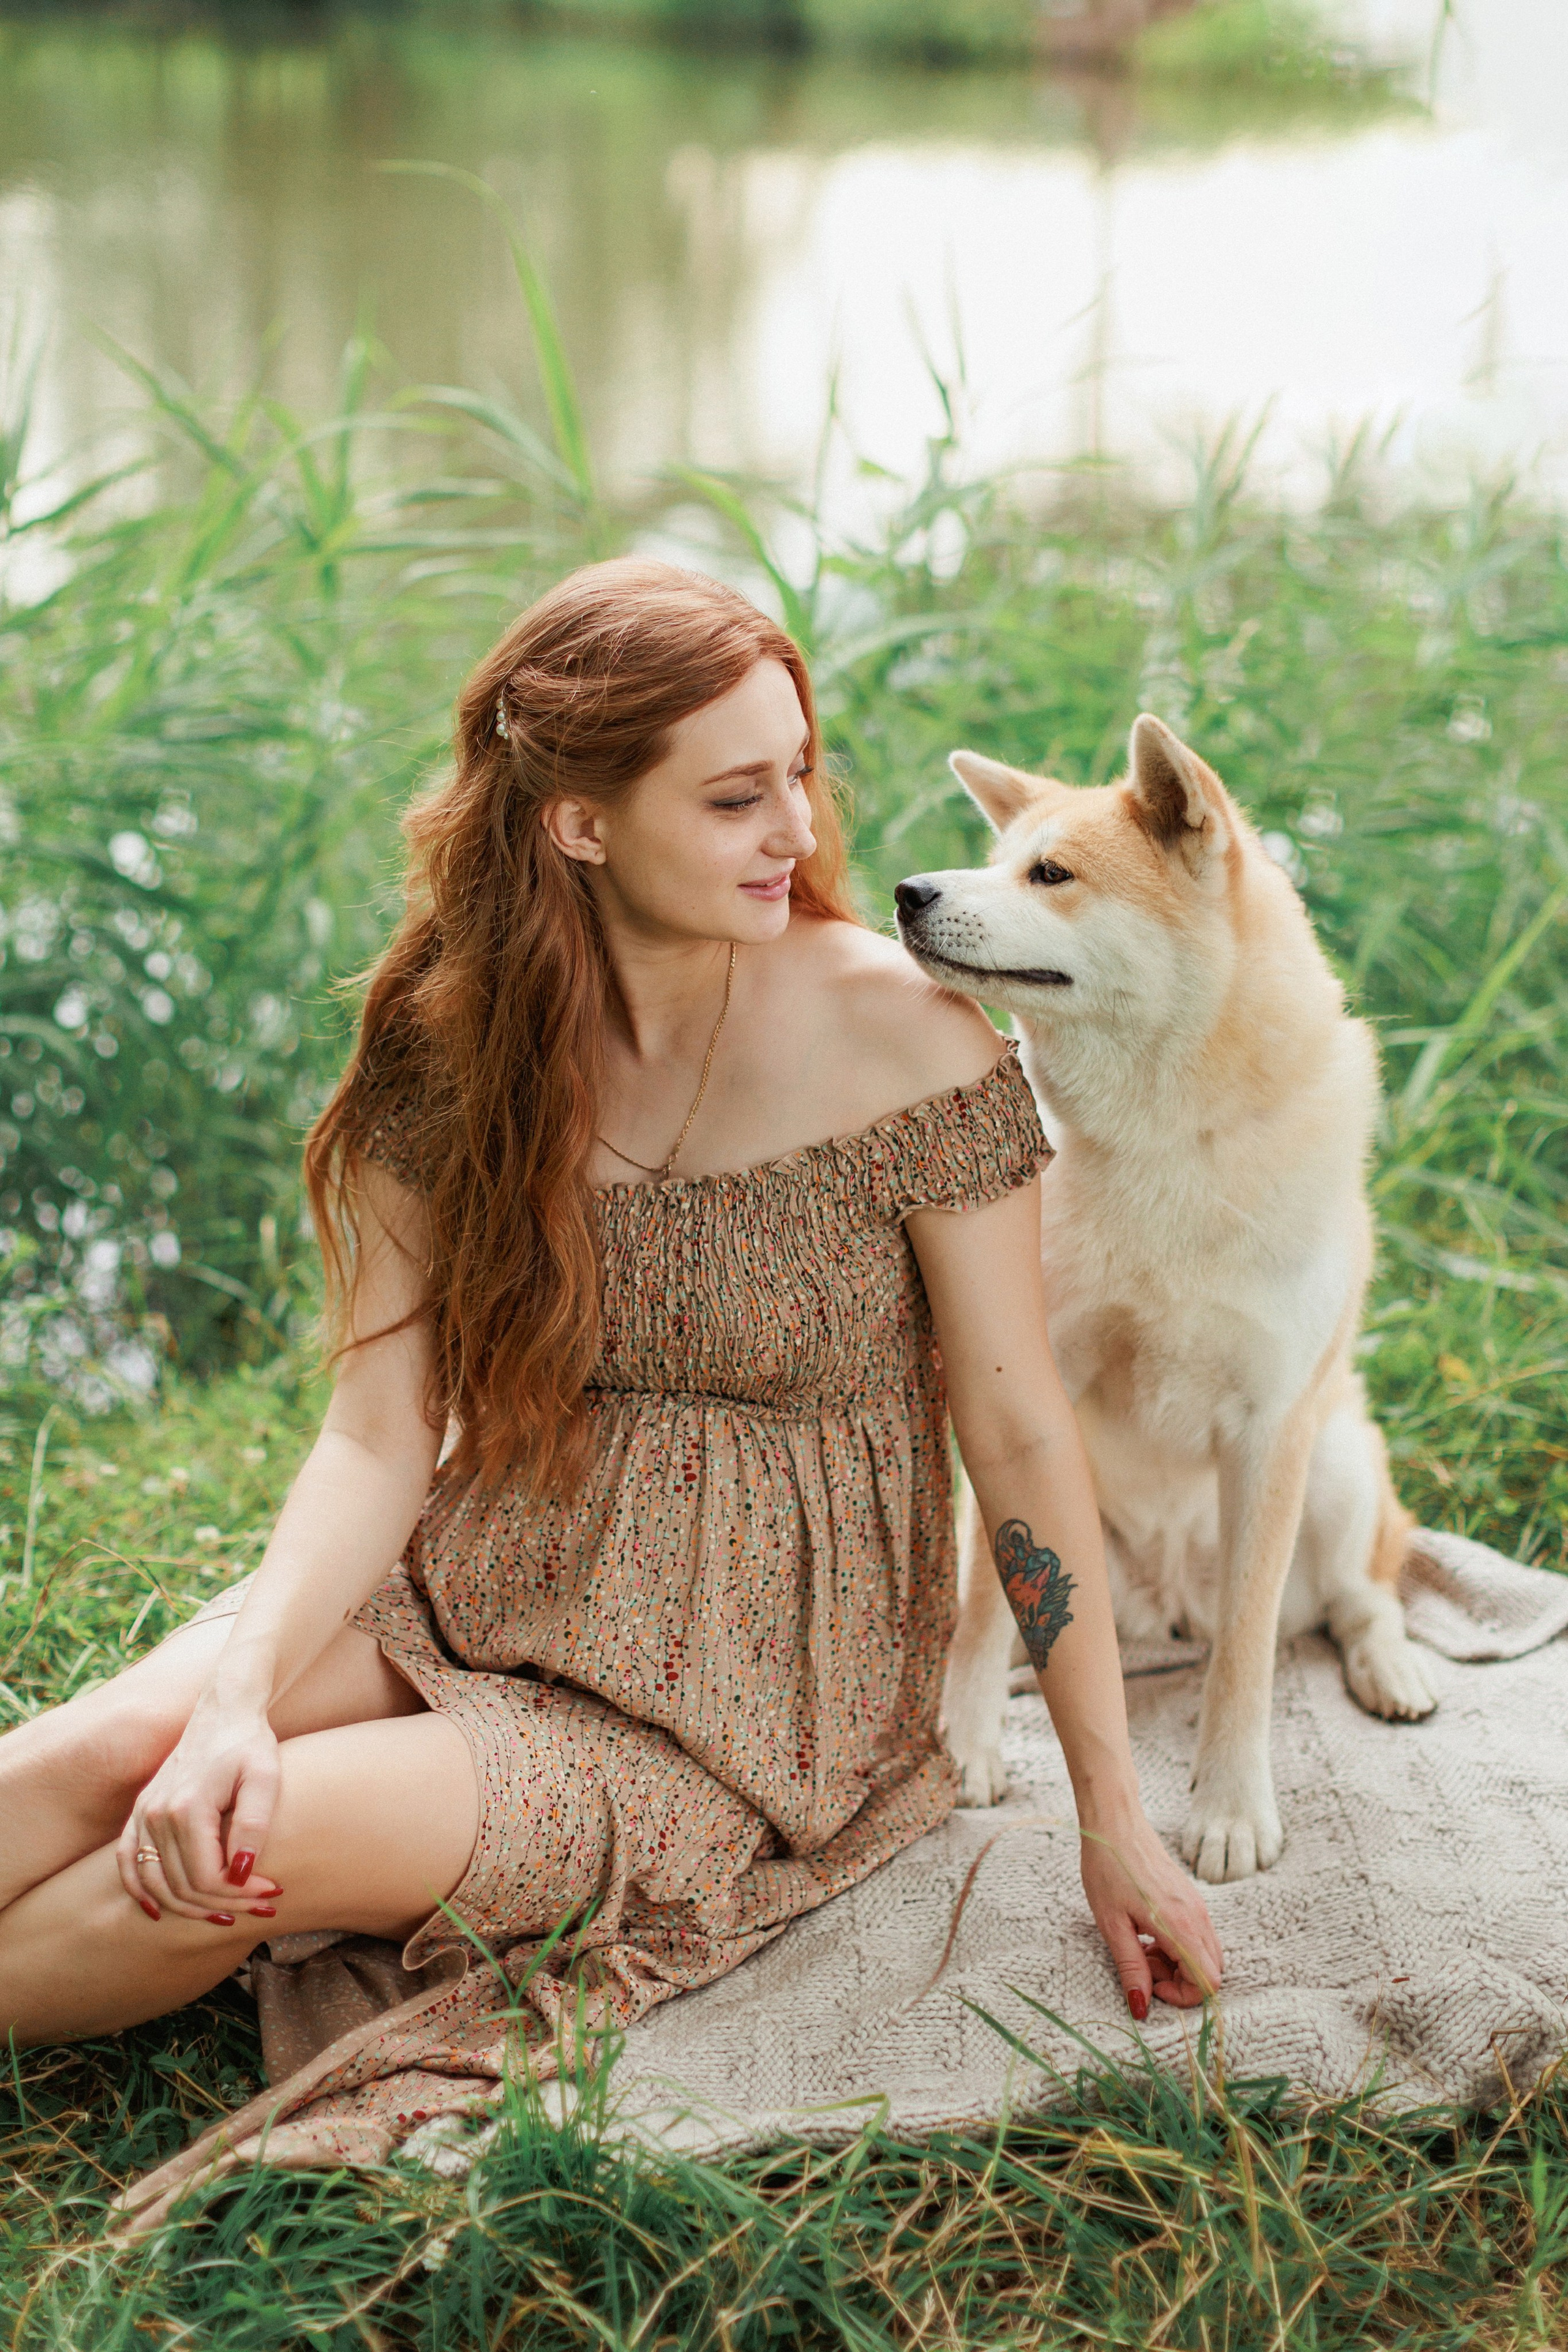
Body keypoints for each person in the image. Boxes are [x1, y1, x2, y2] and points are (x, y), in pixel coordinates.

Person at [0, 559, 1221, 2173]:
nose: (797, 828)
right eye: (734, 797)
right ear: (579, 819)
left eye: (800, 771)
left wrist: (1110, 1814)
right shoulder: (457, 1050)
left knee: (251, 1837)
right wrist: (234, 1694)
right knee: (113, 1750)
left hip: (742, 1705)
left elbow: (1016, 1428)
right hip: (495, 1569)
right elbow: (378, 1436)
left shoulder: (901, 1037)